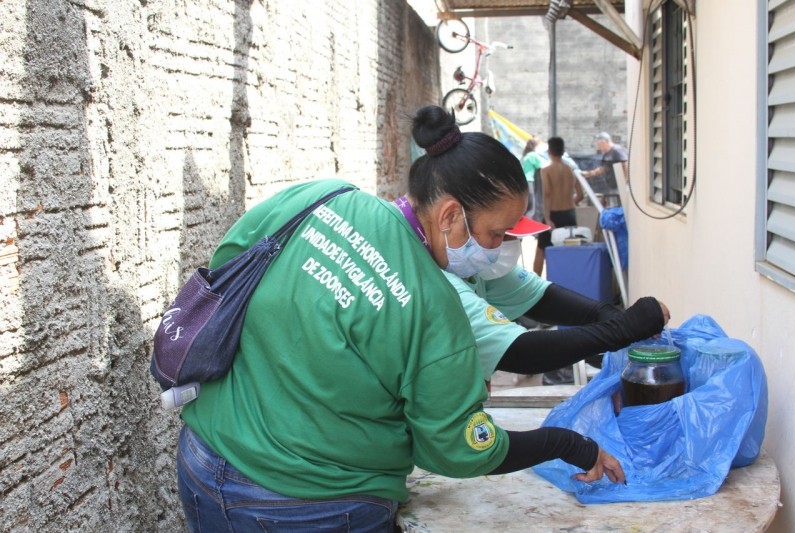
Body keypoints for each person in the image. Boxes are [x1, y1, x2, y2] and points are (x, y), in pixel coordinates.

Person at [176, 105, 626, 532]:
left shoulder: (322, 197)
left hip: (204, 457)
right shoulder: (436, 311)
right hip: (313, 504)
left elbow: (228, 264)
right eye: (495, 233)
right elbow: (460, 449)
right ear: (451, 214)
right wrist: (568, 444)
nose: (498, 247)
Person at [442, 218, 669, 391]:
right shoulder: (441, 285)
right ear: (454, 217)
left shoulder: (476, 268)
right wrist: (623, 329)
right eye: (501, 234)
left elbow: (544, 299)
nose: (512, 245)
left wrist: (616, 318)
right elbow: (520, 351)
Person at [533, 136, 584, 276]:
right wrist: (571, 202)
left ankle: (535, 281)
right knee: (568, 250)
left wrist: (547, 218)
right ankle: (568, 279)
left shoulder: (546, 170)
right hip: (569, 214)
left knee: (541, 250)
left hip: (553, 215)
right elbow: (581, 194)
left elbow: (547, 194)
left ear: (549, 151)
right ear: (562, 151)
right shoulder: (571, 170)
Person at [582, 131, 629, 199]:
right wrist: (589, 173)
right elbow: (603, 168)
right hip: (612, 186)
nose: (598, 147)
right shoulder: (607, 154)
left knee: (620, 207)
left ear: (603, 142)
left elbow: (625, 164)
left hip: (620, 187)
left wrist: (623, 183)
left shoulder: (617, 150)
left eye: (599, 144)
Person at [520, 136, 547, 221]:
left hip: (524, 182)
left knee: (528, 206)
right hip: (530, 181)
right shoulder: (533, 155)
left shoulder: (525, 155)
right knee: (532, 207)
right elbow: (544, 165)